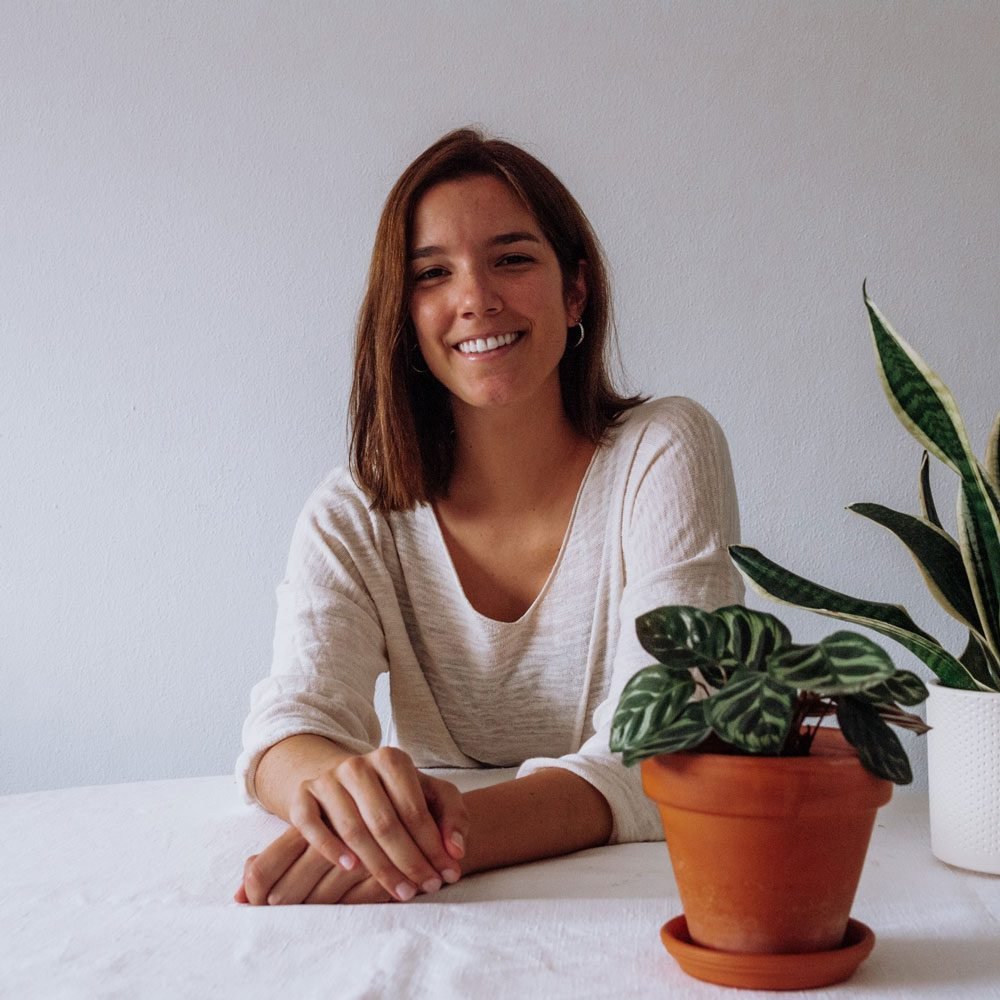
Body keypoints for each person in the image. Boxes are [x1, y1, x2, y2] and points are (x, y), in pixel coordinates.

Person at [233, 127, 743, 906]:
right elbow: (287, 726)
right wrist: (346, 800)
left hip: (642, 899)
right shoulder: (354, 512)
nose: (476, 298)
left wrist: (443, 839)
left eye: (512, 259)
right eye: (433, 273)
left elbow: (669, 738)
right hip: (428, 915)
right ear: (405, 315)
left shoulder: (664, 450)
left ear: (575, 291)